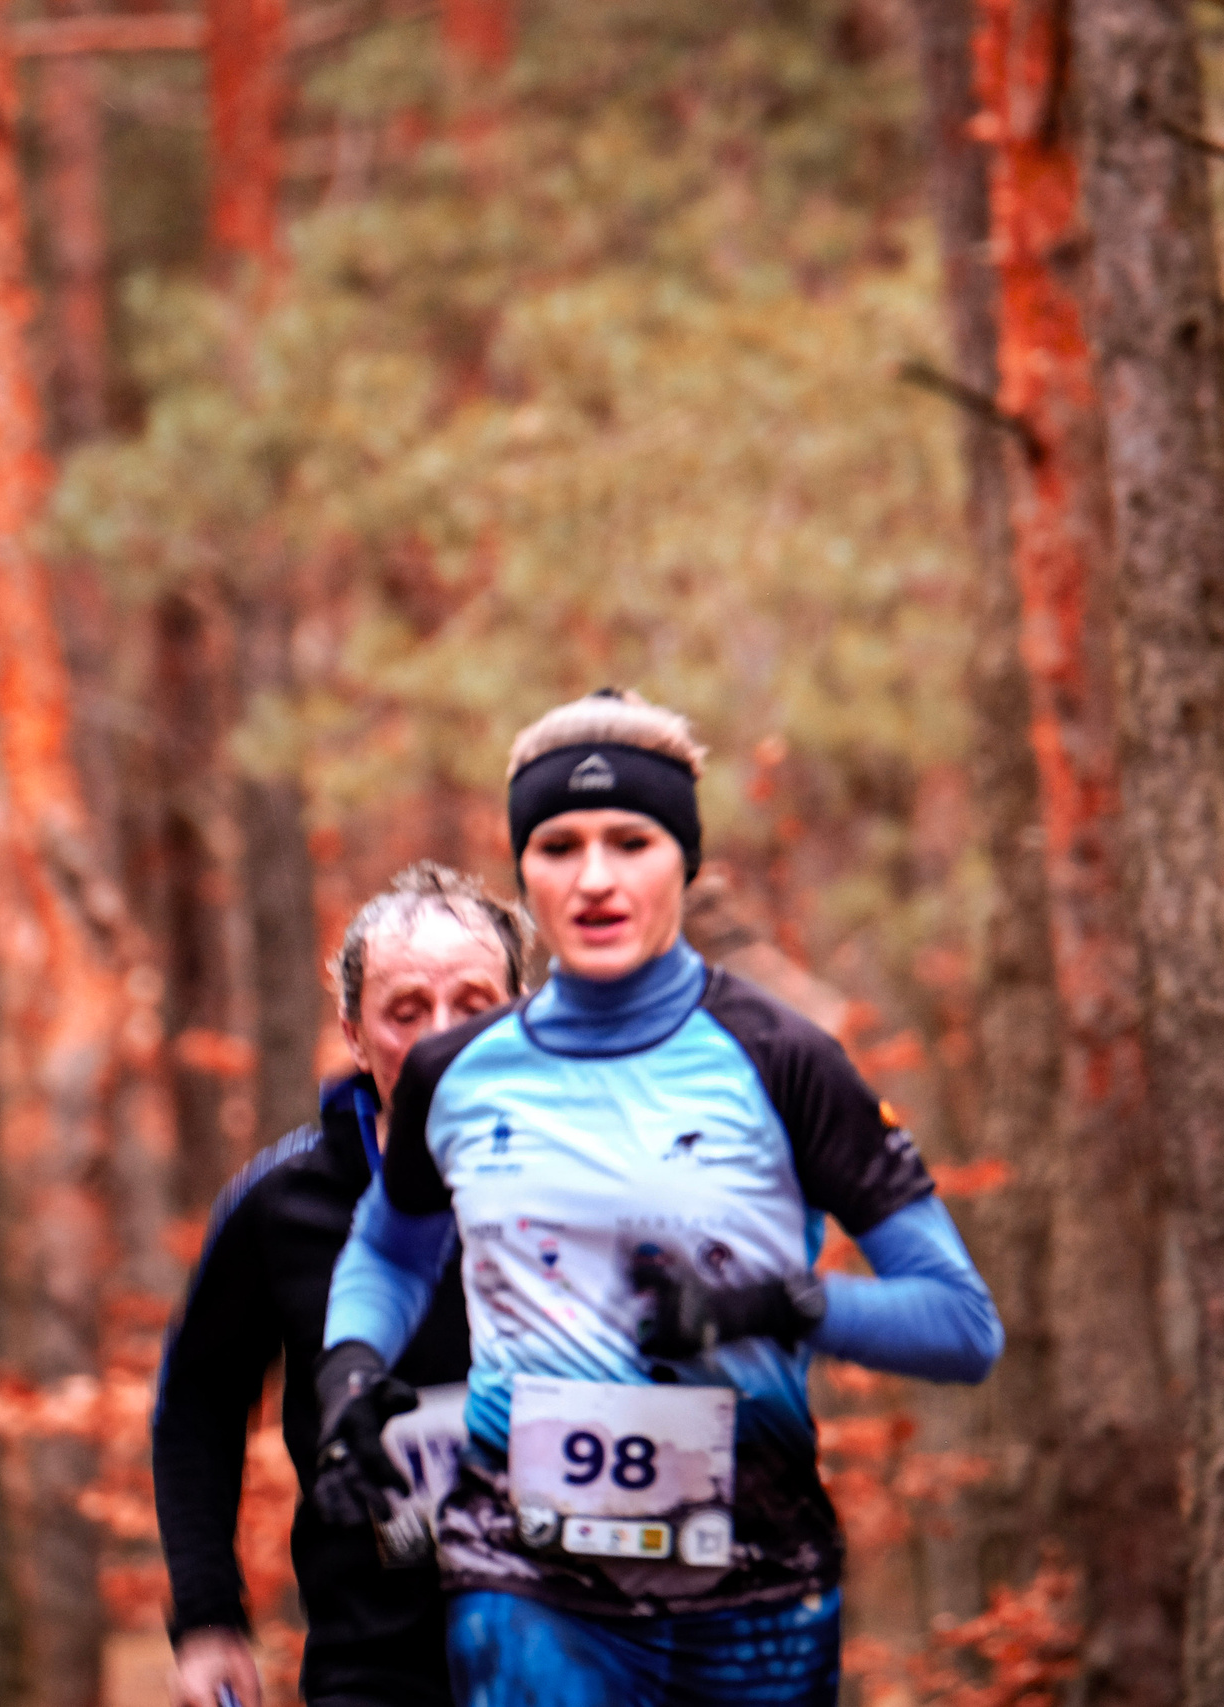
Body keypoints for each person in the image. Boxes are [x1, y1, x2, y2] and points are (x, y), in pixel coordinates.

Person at [316, 691, 1002, 1707]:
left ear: (683, 858)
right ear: (524, 870)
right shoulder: (453, 1074)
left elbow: (962, 1325)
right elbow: (389, 1248)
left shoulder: (784, 1060)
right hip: (521, 1575)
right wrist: (350, 1366)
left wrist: (781, 1304)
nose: (593, 878)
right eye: (558, 845)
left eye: (630, 841)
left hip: (755, 1586)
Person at [155, 864, 530, 1707]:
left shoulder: (602, 1182)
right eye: (406, 1010)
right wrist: (207, 1616)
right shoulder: (284, 1202)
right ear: (355, 1033)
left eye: (474, 1004)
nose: (442, 1036)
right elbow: (197, 1402)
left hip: (596, 1648)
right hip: (376, 1659)